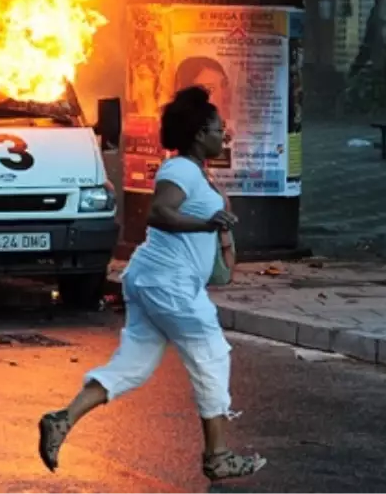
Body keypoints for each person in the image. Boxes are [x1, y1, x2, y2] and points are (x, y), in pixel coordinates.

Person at [37, 86, 266, 483]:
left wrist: (218, 232)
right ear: (198, 134)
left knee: (134, 366)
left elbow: (208, 242)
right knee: (212, 356)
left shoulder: (197, 173)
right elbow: (159, 214)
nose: (223, 134)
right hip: (169, 284)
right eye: (217, 128)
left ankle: (61, 419)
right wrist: (207, 223)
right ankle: (218, 456)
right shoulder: (179, 170)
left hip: (154, 281)